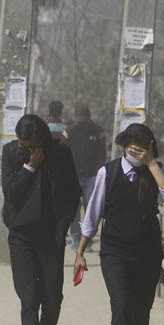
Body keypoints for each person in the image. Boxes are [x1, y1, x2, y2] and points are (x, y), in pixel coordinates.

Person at [73, 123, 164, 325]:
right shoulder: (106, 173)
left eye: (142, 147)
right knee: (120, 305)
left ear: (150, 148)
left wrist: (152, 163)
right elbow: (93, 214)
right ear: (122, 147)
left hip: (147, 252)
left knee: (141, 309)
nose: (135, 151)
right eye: (131, 146)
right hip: (115, 251)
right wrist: (80, 252)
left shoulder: (156, 170)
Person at [1, 114, 81, 325]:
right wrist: (30, 167)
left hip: (51, 237)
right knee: (29, 299)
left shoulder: (60, 153)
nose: (26, 149)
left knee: (53, 297)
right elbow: (10, 193)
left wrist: (64, 224)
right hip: (21, 236)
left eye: (31, 145)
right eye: (23, 144)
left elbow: (73, 192)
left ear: (42, 140)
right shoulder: (11, 153)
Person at [63, 104, 107, 251]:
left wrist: (98, 173)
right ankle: (76, 237)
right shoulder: (69, 131)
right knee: (74, 210)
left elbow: (102, 154)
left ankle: (87, 240)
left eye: (84, 118)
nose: (81, 121)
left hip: (91, 177)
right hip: (72, 177)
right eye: (79, 119)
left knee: (91, 210)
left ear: (89, 117)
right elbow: (63, 152)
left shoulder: (98, 131)